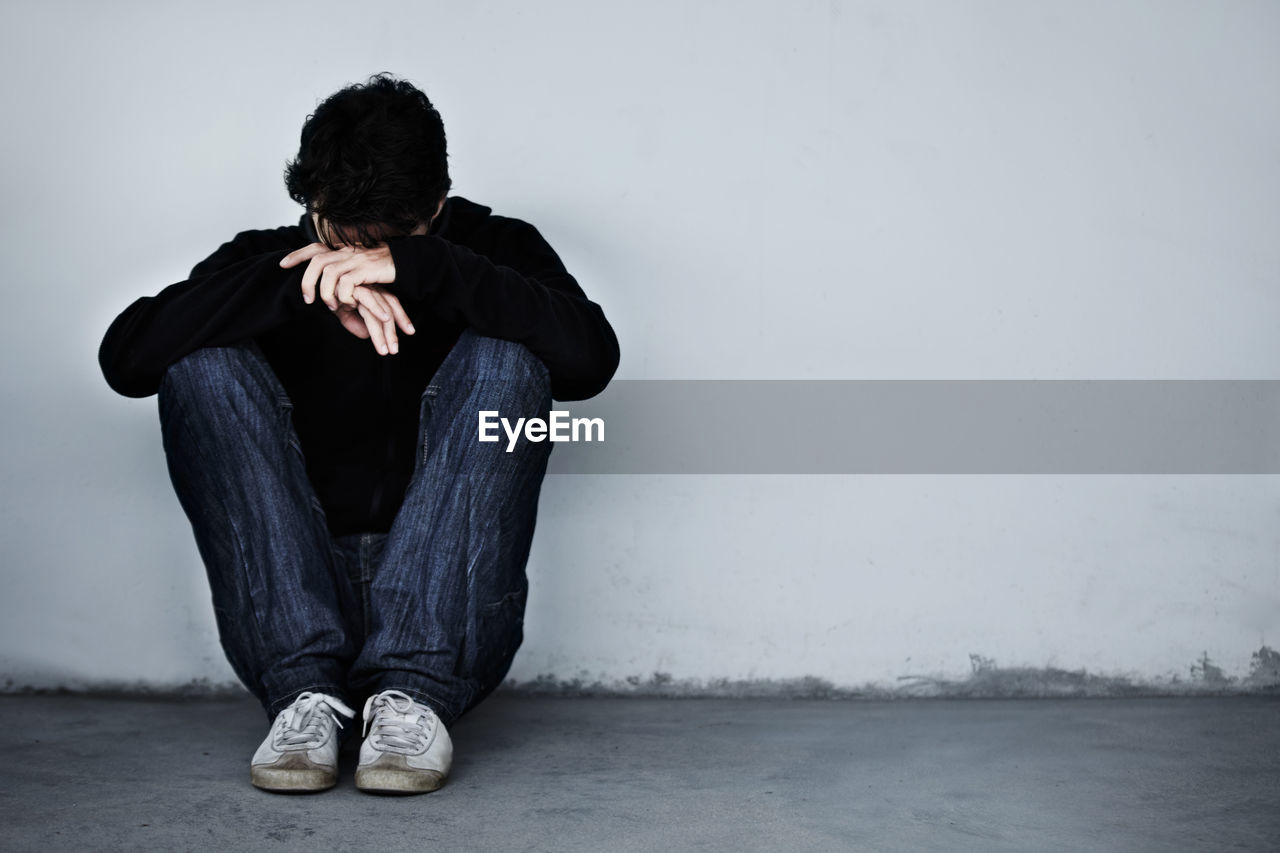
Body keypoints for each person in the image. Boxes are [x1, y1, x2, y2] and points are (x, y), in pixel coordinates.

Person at [98, 74, 620, 795]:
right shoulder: (272, 258)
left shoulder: (491, 249)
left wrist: (425, 269)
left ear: (436, 206)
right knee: (202, 366)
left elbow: (591, 360)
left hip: (453, 604)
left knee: (510, 359)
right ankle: (304, 696)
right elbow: (126, 359)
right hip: (291, 601)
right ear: (312, 207)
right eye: (342, 238)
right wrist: (296, 284)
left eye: (387, 243)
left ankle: (413, 691)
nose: (360, 259)